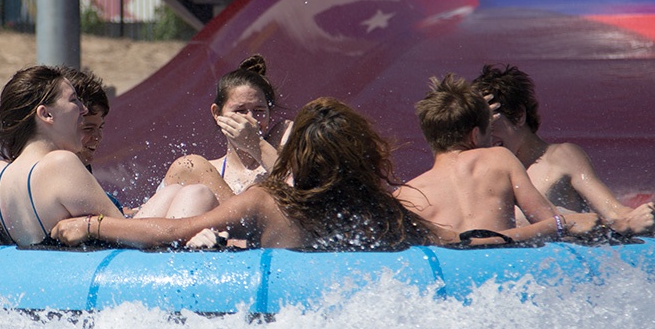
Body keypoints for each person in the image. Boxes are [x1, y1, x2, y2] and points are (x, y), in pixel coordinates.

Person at [52, 97, 437, 251]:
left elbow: (174, 231)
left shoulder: (269, 203)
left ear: (297, 156)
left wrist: (94, 226)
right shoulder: (374, 209)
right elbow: (448, 237)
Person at [0, 66, 216, 247]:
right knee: (198, 193)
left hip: (45, 285)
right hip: (101, 286)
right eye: (73, 100)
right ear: (46, 114)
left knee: (173, 192)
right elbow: (128, 235)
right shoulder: (60, 163)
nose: (83, 110)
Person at [395, 74, 602, 242]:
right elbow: (548, 221)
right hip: (503, 269)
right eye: (489, 132)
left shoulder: (406, 195)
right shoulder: (499, 159)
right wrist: (564, 222)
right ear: (475, 135)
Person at [473, 64, 655, 236]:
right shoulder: (481, 167)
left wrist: (639, 218)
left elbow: (613, 212)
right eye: (477, 130)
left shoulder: (561, 157)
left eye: (491, 127)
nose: (485, 138)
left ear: (518, 116)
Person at [162, 54, 291, 201]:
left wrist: (256, 144)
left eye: (259, 111)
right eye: (240, 111)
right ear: (217, 113)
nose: (250, 119)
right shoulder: (205, 172)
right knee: (189, 166)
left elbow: (302, 194)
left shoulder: (283, 138)